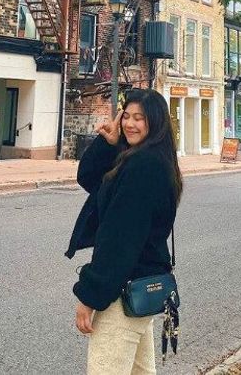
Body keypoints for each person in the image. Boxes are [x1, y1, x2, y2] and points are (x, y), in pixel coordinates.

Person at [67, 89, 182, 374]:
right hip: (142, 283)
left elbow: (119, 240)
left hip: (123, 291)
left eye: (139, 118)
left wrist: (90, 296)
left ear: (155, 122)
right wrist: (108, 144)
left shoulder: (143, 167)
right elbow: (91, 180)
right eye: (126, 116)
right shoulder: (146, 159)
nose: (130, 124)